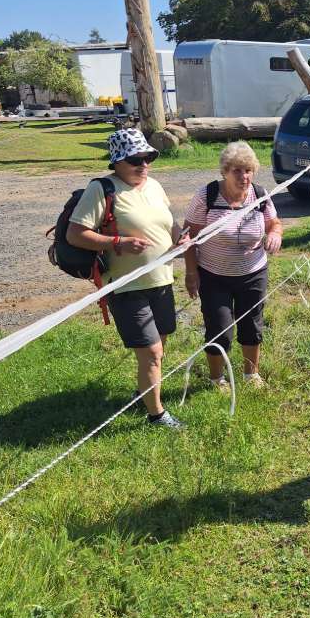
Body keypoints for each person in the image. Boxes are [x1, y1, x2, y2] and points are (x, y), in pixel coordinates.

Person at [66, 128, 186, 429]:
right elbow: (75, 234)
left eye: (148, 158)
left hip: (161, 280)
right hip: (126, 287)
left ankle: (144, 391)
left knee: (158, 346)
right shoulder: (102, 189)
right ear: (117, 161)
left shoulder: (155, 186)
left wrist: (180, 240)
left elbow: (170, 225)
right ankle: (156, 415)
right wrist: (117, 243)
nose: (143, 165)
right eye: (135, 159)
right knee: (153, 352)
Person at [182, 141, 282, 390]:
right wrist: (191, 272)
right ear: (224, 171)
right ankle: (217, 379)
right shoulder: (206, 196)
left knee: (252, 324)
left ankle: (251, 375)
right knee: (220, 328)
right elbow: (189, 237)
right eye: (237, 170)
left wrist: (275, 235)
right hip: (214, 275)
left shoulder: (260, 194)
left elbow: (274, 223)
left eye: (248, 170)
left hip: (253, 273)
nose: (243, 176)